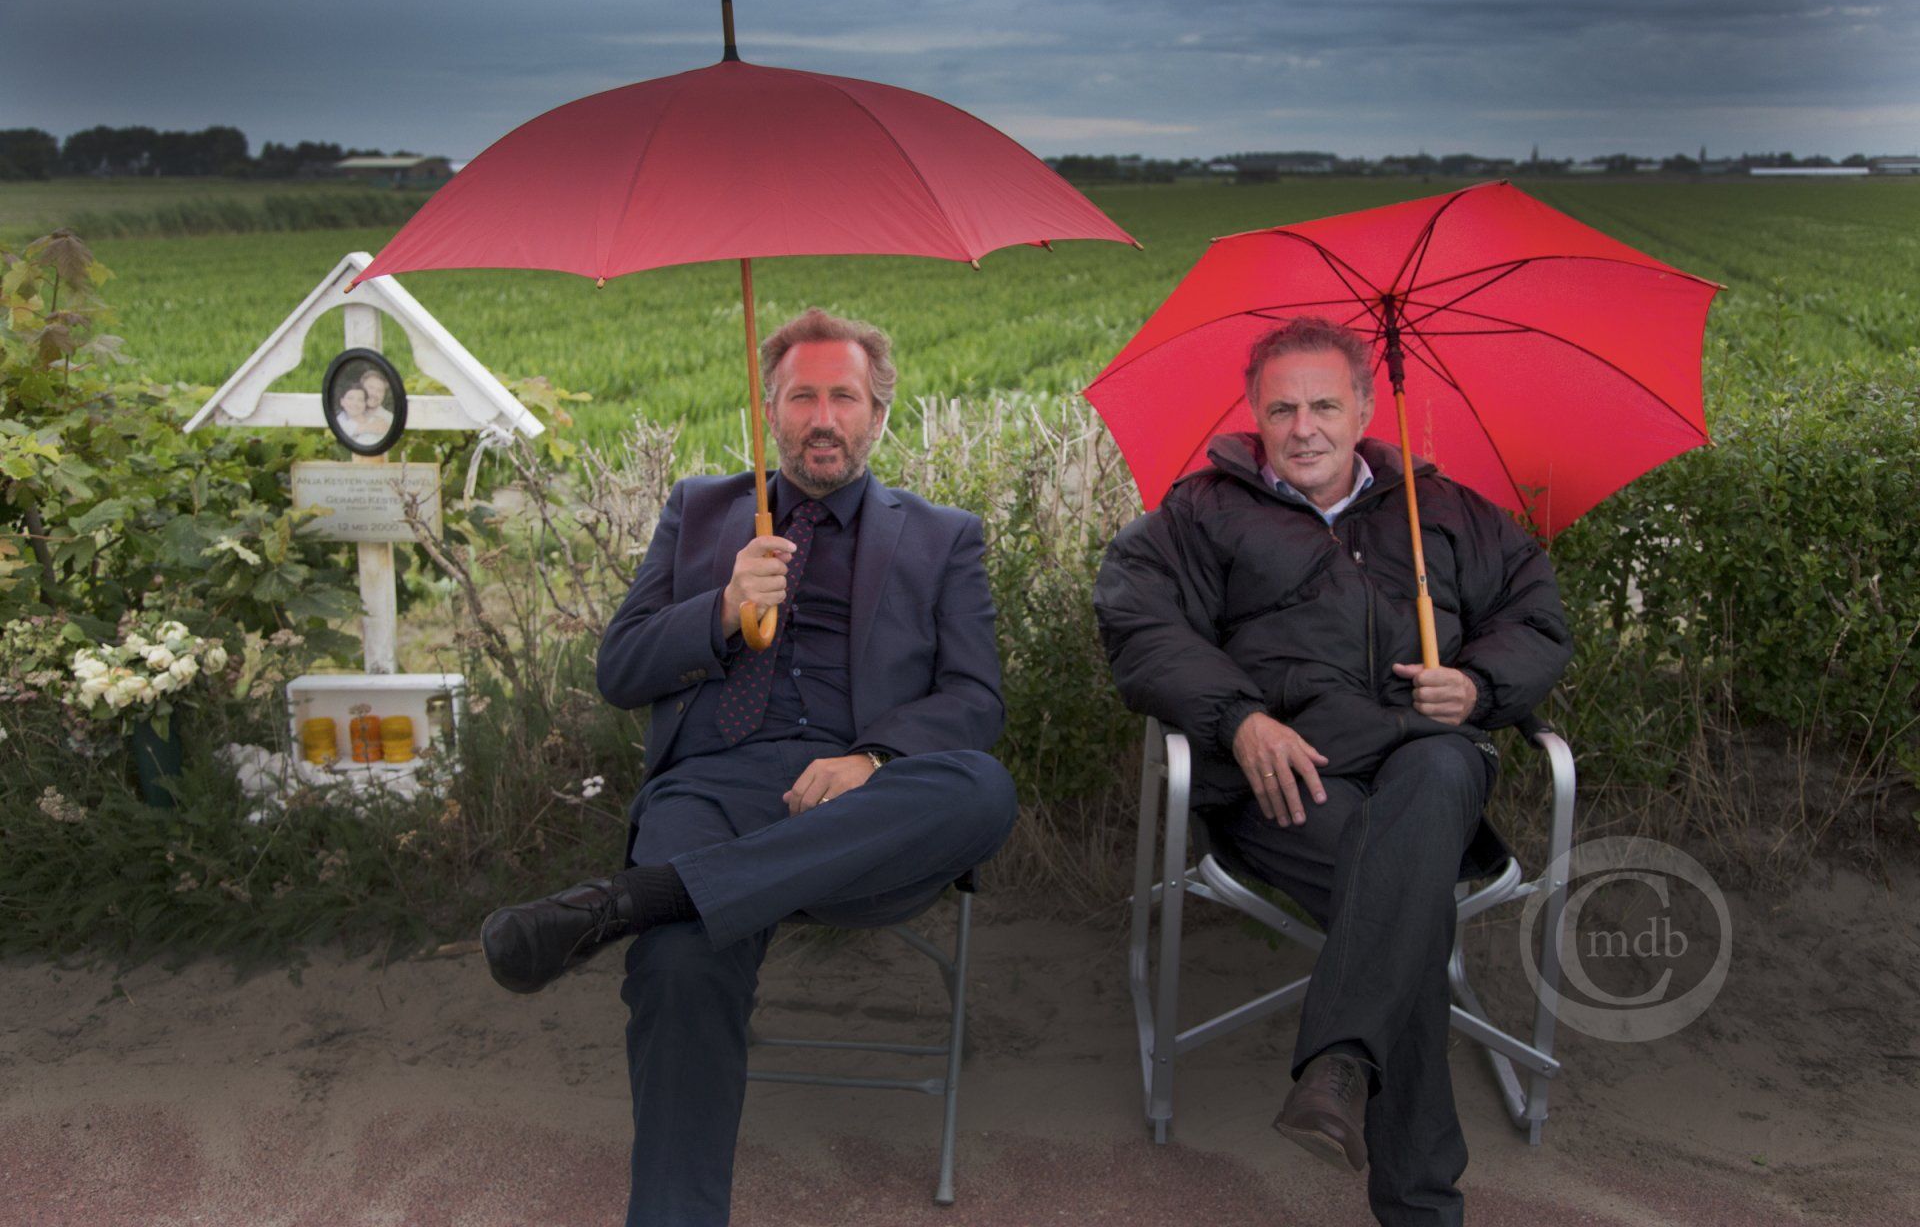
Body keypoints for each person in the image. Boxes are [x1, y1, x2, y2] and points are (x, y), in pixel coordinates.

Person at [480, 307, 1017, 1227]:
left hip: (864, 806)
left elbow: (975, 700)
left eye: (844, 397)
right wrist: (722, 607)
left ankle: (636, 899)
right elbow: (620, 671)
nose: (823, 418)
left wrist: (872, 758)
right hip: (713, 788)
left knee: (983, 788)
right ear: (769, 411)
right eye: (801, 396)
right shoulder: (700, 510)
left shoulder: (943, 535)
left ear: (879, 413)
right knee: (678, 965)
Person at [1093, 316, 1572, 1227]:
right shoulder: (1199, 515)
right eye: (1282, 409)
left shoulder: (1445, 512)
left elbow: (1536, 617)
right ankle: (1417, 1201)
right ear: (1255, 414)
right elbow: (1139, 625)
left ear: (1364, 409)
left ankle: (1341, 1062)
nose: (1303, 428)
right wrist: (1239, 720)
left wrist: (1477, 684)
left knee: (1433, 784)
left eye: (1323, 406)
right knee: (1404, 894)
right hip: (1291, 776)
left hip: (1427, 760)